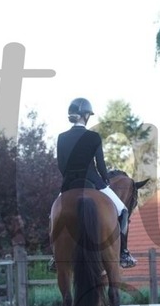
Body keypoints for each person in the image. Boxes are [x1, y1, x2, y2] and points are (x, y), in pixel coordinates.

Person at [49, 97, 136, 271]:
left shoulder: (61, 137)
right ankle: (123, 253)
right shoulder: (93, 137)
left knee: (52, 216)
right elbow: (100, 164)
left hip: (69, 184)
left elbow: (62, 165)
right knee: (123, 211)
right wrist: (105, 179)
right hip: (92, 181)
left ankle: (54, 256)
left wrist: (69, 179)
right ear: (86, 115)